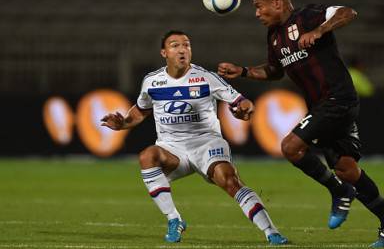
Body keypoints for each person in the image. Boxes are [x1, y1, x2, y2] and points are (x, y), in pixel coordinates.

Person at [218, 0, 384, 248]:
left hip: (338, 99)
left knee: (291, 147)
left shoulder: (307, 16)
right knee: (346, 168)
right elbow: (275, 70)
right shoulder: (274, 35)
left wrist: (320, 29)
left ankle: (339, 191)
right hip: (321, 106)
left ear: (277, 3)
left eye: (259, 7)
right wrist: (244, 71)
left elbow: (348, 12)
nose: (256, 13)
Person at [101, 30, 288, 245]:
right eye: (175, 45)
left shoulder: (206, 78)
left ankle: (271, 231)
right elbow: (141, 110)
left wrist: (244, 110)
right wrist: (123, 123)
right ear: (164, 53)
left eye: (186, 45)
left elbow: (241, 101)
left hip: (206, 143)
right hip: (172, 149)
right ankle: (174, 220)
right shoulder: (152, 81)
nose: (182, 49)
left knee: (229, 181)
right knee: (146, 156)